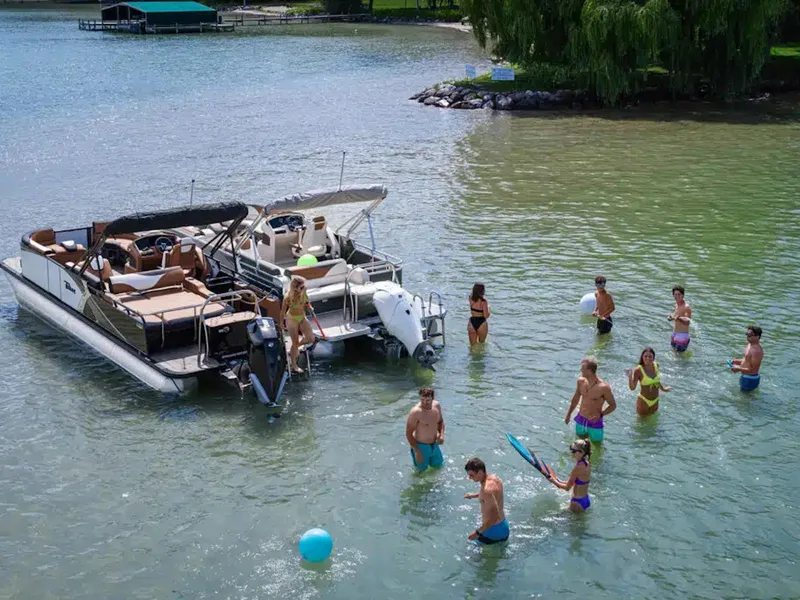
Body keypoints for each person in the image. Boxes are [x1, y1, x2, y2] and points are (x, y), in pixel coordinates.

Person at [565, 358, 616, 442]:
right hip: (581, 420)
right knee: (580, 446)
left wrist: (601, 415)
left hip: (595, 423)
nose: (580, 369)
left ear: (589, 370)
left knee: (597, 447)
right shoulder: (580, 381)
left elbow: (613, 405)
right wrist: (568, 414)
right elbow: (575, 398)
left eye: (583, 368)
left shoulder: (603, 387)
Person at [464, 458, 508, 544]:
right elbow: (493, 495)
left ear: (480, 472)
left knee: (473, 553)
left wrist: (477, 532)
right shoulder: (495, 479)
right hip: (504, 526)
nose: (469, 478)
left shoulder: (486, 490)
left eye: (471, 475)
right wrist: (474, 495)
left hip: (493, 531)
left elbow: (495, 516)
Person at [405, 387, 445, 471]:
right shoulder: (416, 412)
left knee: (439, 468)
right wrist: (417, 451)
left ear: (432, 398)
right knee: (421, 474)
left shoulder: (437, 406)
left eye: (427, 400)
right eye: (422, 399)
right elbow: (408, 434)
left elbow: (440, 422)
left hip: (434, 445)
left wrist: (441, 435)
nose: (424, 403)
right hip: (420, 447)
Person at [282, 276, 315, 373]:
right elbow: (282, 312)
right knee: (294, 341)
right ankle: (294, 365)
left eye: (304, 286)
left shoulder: (303, 292)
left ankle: (295, 347)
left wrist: (310, 307)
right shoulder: (288, 297)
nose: (303, 288)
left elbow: (307, 302)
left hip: (302, 316)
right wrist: (281, 324)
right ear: (295, 288)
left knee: (311, 338)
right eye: (301, 287)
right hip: (292, 318)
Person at [625, 347, 672, 416]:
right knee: (642, 424)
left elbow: (656, 381)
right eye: (645, 356)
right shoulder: (638, 370)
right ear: (642, 357)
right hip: (643, 401)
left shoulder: (656, 366)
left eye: (650, 356)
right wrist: (629, 377)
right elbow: (632, 388)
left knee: (653, 423)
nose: (648, 358)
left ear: (653, 358)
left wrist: (663, 389)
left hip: (655, 400)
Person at [548, 439, 592, 512]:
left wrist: (553, 481)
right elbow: (576, 483)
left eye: (574, 451)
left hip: (577, 502)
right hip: (585, 500)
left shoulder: (577, 468)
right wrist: (558, 480)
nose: (571, 452)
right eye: (571, 449)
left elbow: (567, 488)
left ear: (582, 452)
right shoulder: (586, 463)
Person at [729, 325, 764, 391]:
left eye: (750, 334)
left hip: (750, 379)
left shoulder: (757, 351)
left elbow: (753, 370)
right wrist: (736, 361)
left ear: (757, 336)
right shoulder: (749, 345)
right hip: (745, 377)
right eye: (747, 334)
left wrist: (738, 369)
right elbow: (747, 360)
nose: (747, 336)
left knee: (745, 399)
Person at [668, 285, 692, 352]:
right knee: (674, 353)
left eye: (679, 294)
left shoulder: (686, 307)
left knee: (679, 358)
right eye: (675, 294)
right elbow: (677, 316)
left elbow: (687, 322)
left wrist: (679, 318)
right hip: (674, 333)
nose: (677, 296)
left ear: (683, 295)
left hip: (682, 335)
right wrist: (671, 317)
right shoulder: (676, 305)